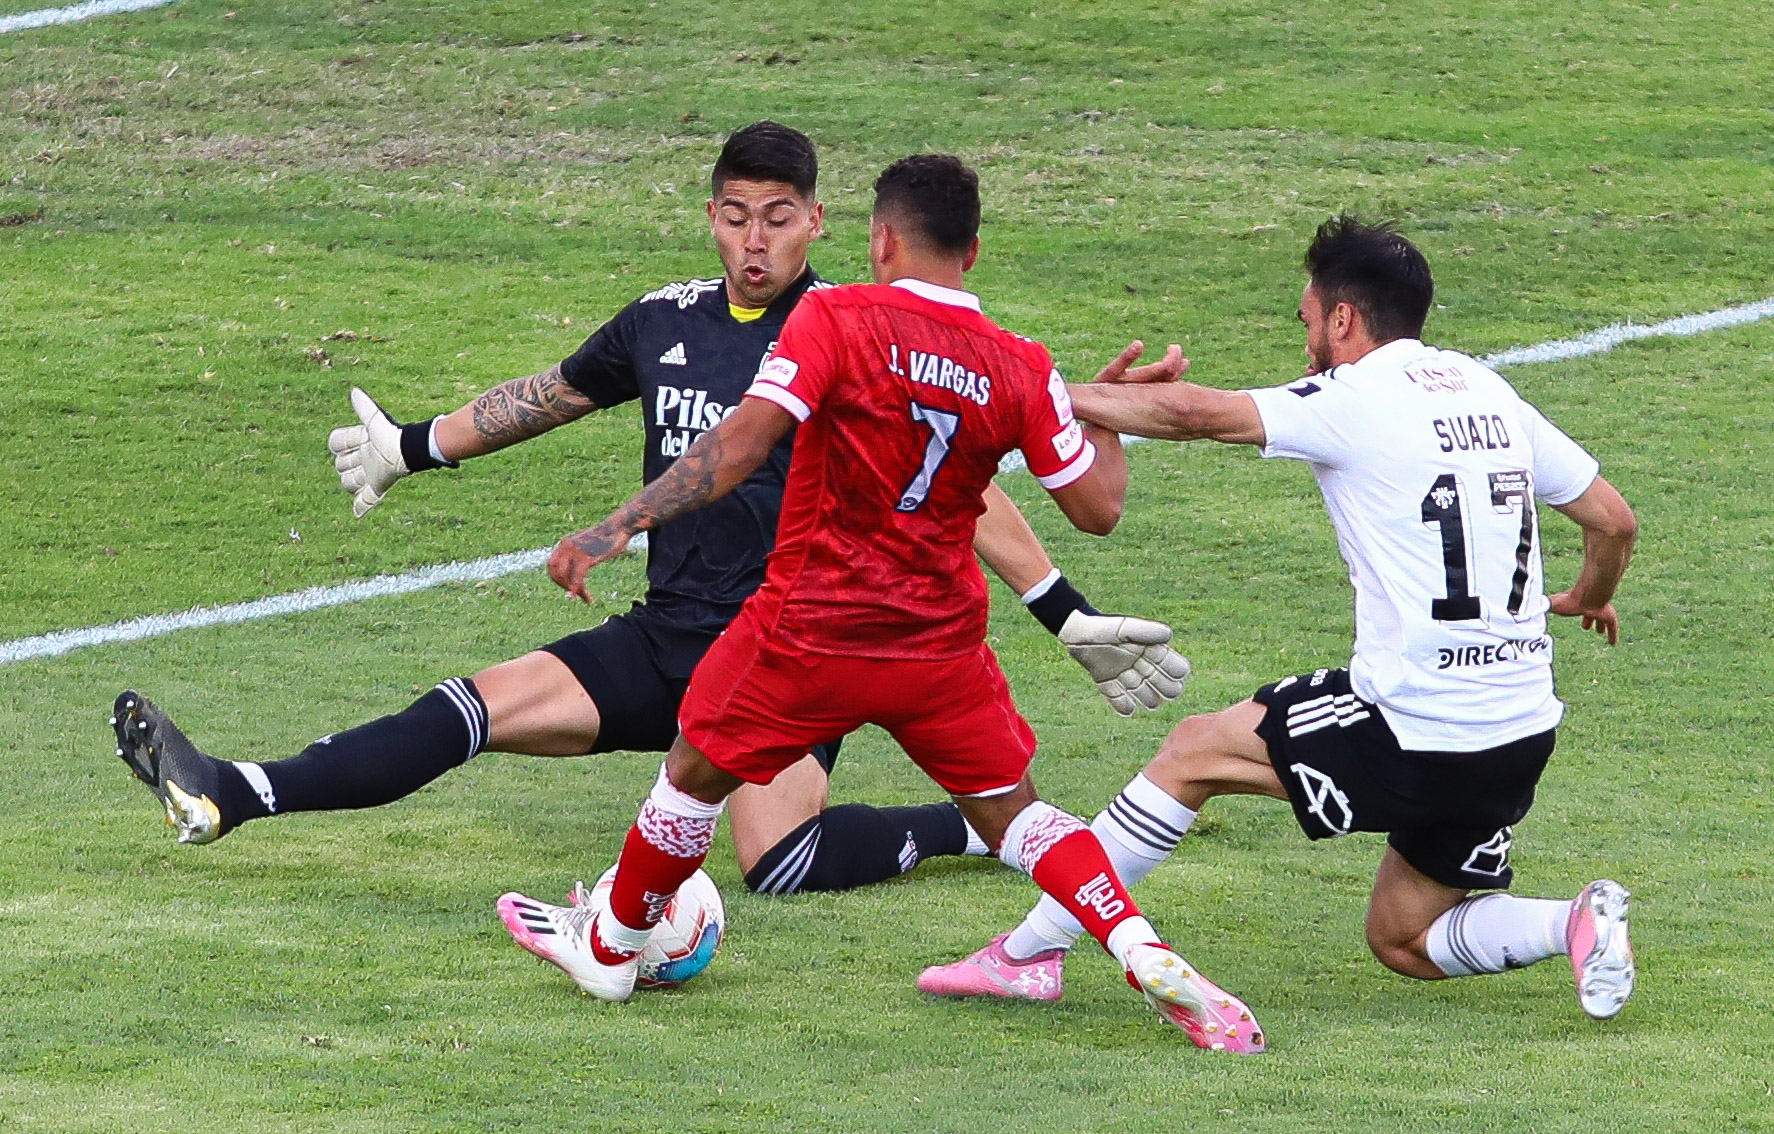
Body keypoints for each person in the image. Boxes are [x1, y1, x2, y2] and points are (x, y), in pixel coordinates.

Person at [108, 122, 1190, 900]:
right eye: (735, 216)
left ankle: (968, 825)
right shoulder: (666, 319)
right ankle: (230, 791)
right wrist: (413, 445)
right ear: (710, 218)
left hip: (792, 645)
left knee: (779, 861)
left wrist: (1061, 609)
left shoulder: (853, 334)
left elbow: (962, 493)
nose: (755, 238)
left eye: (778, 218)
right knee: (470, 706)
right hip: (671, 634)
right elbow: (551, 394)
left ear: (822, 223)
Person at [497, 154, 1265, 1053]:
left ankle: (614, 944)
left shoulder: (834, 315)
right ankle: (1140, 945)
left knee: (692, 771)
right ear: (973, 250)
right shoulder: (1020, 364)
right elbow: (1097, 510)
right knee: (1021, 817)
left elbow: (744, 442)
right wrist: (1102, 416)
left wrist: (620, 523)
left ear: (879, 236)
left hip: (805, 629)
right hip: (937, 648)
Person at [919, 215, 1639, 1032]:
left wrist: (1035, 392)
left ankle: (1026, 955)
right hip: (1518, 735)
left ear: (1343, 319)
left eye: (1306, 321)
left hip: (1415, 724)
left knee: (1192, 750)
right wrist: (1588, 593)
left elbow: (1197, 415)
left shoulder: (1356, 396)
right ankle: (1575, 919)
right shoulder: (1490, 393)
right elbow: (1613, 519)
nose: (1305, 343)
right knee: (1401, 937)